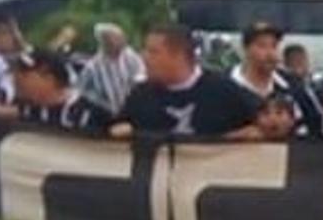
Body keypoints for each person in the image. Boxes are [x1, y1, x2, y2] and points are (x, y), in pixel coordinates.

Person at [110, 24, 262, 139]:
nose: (144, 57)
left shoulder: (225, 91)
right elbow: (115, 127)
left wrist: (251, 133)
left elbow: (269, 120)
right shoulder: (140, 95)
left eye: (153, 52)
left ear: (178, 55)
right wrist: (119, 131)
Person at [231, 22, 322, 137]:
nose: (270, 53)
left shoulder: (294, 85)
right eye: (262, 46)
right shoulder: (224, 86)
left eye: (274, 46)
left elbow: (317, 126)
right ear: (246, 49)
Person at [12, 51, 112, 132]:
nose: (16, 78)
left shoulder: (91, 111)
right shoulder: (26, 109)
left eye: (24, 74)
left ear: (48, 78)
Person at [77, 23, 145, 117]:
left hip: (134, 110)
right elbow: (81, 89)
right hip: (107, 114)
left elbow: (142, 74)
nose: (122, 41)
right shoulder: (93, 67)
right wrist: (99, 101)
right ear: (105, 41)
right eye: (117, 38)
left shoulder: (130, 56)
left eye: (122, 38)